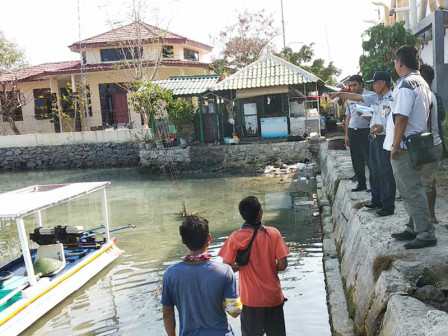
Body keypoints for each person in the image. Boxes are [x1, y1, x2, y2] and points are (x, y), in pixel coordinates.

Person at [385, 45, 437, 249]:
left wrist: (395, 145)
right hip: (417, 144)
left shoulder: (406, 84)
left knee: (411, 190)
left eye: (395, 63)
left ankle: (425, 233)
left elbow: (402, 118)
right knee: (412, 188)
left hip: (405, 146)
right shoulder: (422, 82)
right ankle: (413, 226)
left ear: (399, 63)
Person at [218, 196, 290, 336]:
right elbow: (282, 264)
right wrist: (269, 266)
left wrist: (241, 266)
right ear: (260, 213)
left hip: (250, 301)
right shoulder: (273, 233)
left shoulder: (235, 237)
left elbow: (226, 268)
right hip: (273, 298)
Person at [161, 215, 242, 336]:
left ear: (183, 241)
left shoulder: (171, 274)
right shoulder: (224, 271)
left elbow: (167, 314)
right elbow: (234, 312)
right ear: (208, 238)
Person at [329, 71, 396, 216]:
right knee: (375, 171)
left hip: (385, 138)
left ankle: (387, 206)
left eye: (375, 83)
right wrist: (340, 94)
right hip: (374, 138)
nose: (373, 85)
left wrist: (382, 128)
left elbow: (397, 121)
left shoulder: (393, 99)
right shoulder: (374, 97)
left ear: (383, 83)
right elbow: (356, 97)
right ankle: (376, 200)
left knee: (385, 172)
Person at [419, 64, 445, 223]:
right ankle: (430, 214)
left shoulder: (428, 95)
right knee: (429, 181)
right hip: (432, 142)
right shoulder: (431, 95)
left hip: (428, 144)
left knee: (426, 183)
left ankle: (429, 216)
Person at [344, 75, 375, 192]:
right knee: (356, 160)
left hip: (366, 131)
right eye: (350, 86)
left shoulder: (370, 96)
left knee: (370, 160)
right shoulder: (349, 98)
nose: (352, 88)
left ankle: (374, 187)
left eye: (355, 85)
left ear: (362, 84)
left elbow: (374, 115)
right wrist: (346, 134)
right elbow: (348, 116)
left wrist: (364, 113)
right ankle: (361, 184)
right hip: (353, 130)